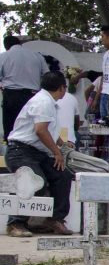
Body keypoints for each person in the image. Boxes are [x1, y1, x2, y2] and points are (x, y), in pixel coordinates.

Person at [6, 72, 73, 237]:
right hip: (21, 151)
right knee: (35, 181)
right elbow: (40, 131)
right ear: (62, 88)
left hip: (37, 153)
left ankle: (53, 219)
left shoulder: (48, 101)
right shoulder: (43, 102)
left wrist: (62, 146)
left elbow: (50, 131)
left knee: (63, 176)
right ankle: (15, 222)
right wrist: (57, 153)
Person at [0, 36, 50, 141]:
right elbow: (47, 76)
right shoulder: (37, 56)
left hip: (11, 95)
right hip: (33, 96)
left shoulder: (4, 56)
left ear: (6, 46)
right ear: (20, 43)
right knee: (31, 127)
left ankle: (12, 149)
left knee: (11, 128)